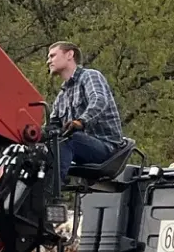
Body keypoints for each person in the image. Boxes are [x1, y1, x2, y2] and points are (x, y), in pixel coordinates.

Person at [46, 41, 132, 184]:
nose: (48, 61)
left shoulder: (90, 76)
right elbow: (52, 127)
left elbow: (99, 101)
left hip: (106, 148)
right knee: (42, 149)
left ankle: (49, 192)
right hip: (79, 146)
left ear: (69, 55)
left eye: (52, 56)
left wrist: (81, 122)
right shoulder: (61, 96)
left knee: (67, 140)